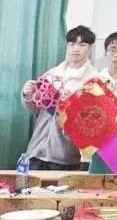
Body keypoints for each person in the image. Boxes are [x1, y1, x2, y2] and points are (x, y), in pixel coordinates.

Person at [21, 25, 100, 170]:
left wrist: (72, 104)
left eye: (82, 45)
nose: (76, 49)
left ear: (90, 48)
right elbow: (36, 110)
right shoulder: (53, 73)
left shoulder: (93, 81)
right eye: (72, 44)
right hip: (36, 149)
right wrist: (28, 95)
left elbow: (91, 124)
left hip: (65, 156)